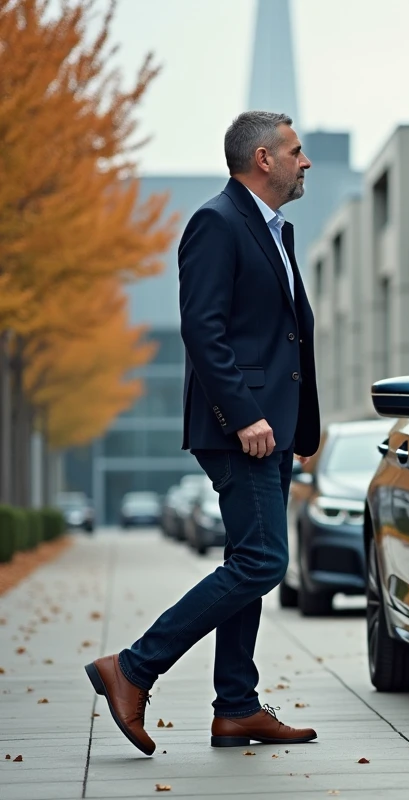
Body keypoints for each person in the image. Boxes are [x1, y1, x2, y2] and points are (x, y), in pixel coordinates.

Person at [85, 111, 321, 755]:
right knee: (264, 560)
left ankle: (237, 708)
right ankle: (133, 668)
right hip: (242, 430)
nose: (306, 163)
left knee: (248, 559)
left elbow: (284, 337)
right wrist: (244, 415)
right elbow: (203, 329)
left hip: (274, 429)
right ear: (263, 159)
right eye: (296, 152)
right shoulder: (217, 222)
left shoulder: (276, 230)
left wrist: (301, 423)